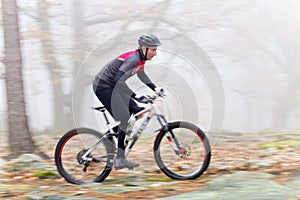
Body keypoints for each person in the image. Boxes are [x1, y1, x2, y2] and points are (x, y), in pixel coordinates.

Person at [93, 34, 164, 169]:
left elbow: (141, 74)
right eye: (153, 50)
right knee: (124, 117)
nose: (155, 53)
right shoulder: (133, 59)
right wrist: (136, 96)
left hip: (114, 86)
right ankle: (120, 159)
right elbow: (118, 80)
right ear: (144, 49)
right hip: (103, 86)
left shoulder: (141, 59)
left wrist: (155, 88)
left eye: (156, 50)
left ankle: (111, 136)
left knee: (137, 111)